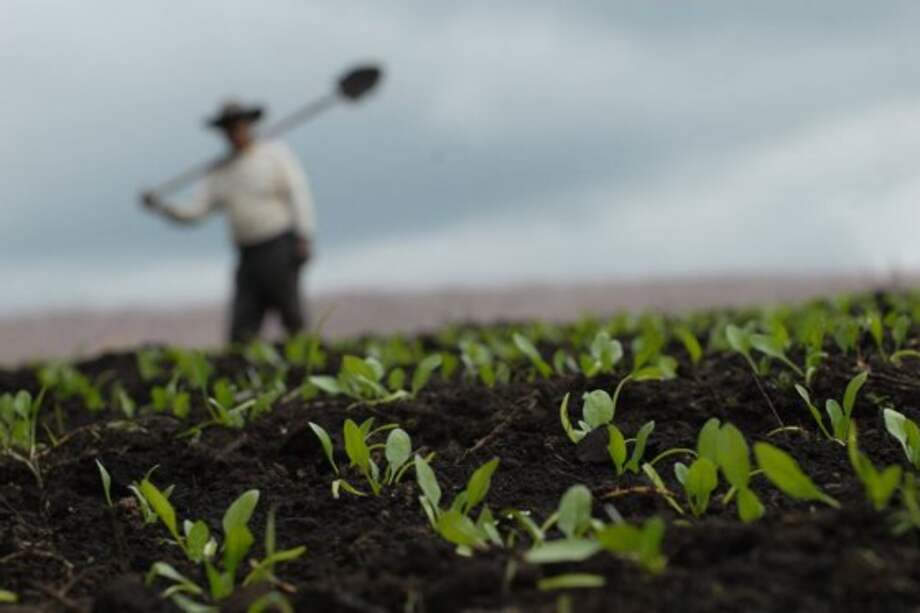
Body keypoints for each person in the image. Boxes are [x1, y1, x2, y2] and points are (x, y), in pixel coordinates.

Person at [141, 100, 316, 344]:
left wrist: (304, 235)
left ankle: (309, 366)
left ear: (249, 126)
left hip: (278, 245)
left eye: (239, 126)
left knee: (292, 315)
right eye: (229, 129)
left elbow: (299, 194)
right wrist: (162, 207)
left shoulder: (274, 155)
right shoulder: (220, 172)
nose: (235, 133)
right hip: (247, 253)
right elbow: (195, 212)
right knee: (242, 326)